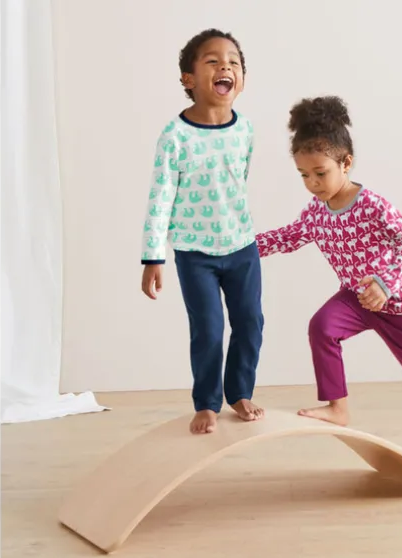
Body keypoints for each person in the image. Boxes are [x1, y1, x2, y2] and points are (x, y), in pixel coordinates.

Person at [255, 96, 402, 485]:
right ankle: (338, 407)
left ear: (346, 163)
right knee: (322, 326)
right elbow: (288, 237)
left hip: (401, 304)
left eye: (320, 173)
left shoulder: (373, 205)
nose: (312, 184)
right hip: (356, 299)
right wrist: (241, 247)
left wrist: (386, 284)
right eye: (303, 175)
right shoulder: (315, 212)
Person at [140, 29, 264, 434]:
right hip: (195, 253)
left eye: (233, 62)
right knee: (209, 329)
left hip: (242, 246)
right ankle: (207, 402)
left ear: (241, 79)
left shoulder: (245, 130)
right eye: (213, 61)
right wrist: (153, 256)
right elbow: (160, 198)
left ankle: (240, 392)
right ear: (188, 79)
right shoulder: (175, 136)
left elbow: (238, 181)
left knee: (250, 322)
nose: (225, 66)